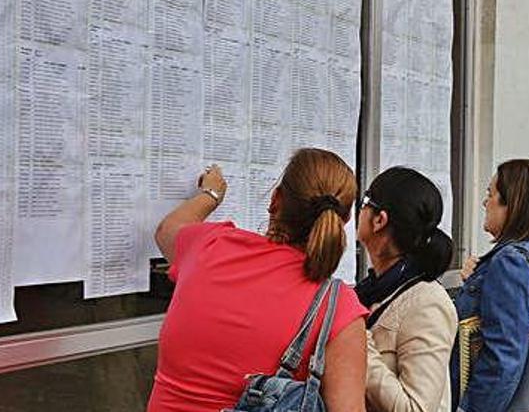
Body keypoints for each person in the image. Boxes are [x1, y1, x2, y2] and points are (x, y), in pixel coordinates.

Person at [147, 148, 368, 412]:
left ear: (275, 200)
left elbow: (166, 231)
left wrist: (212, 193)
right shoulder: (338, 307)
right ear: (344, 221)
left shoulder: (211, 246)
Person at [451, 159, 529, 412]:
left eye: (490, 194)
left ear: (513, 204)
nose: (485, 202)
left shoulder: (511, 262)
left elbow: (502, 358)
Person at [354, 167, 457, 412]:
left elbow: (416, 408)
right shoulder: (370, 290)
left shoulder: (427, 303)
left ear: (380, 220)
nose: (358, 209)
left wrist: (356, 339)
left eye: (365, 201)